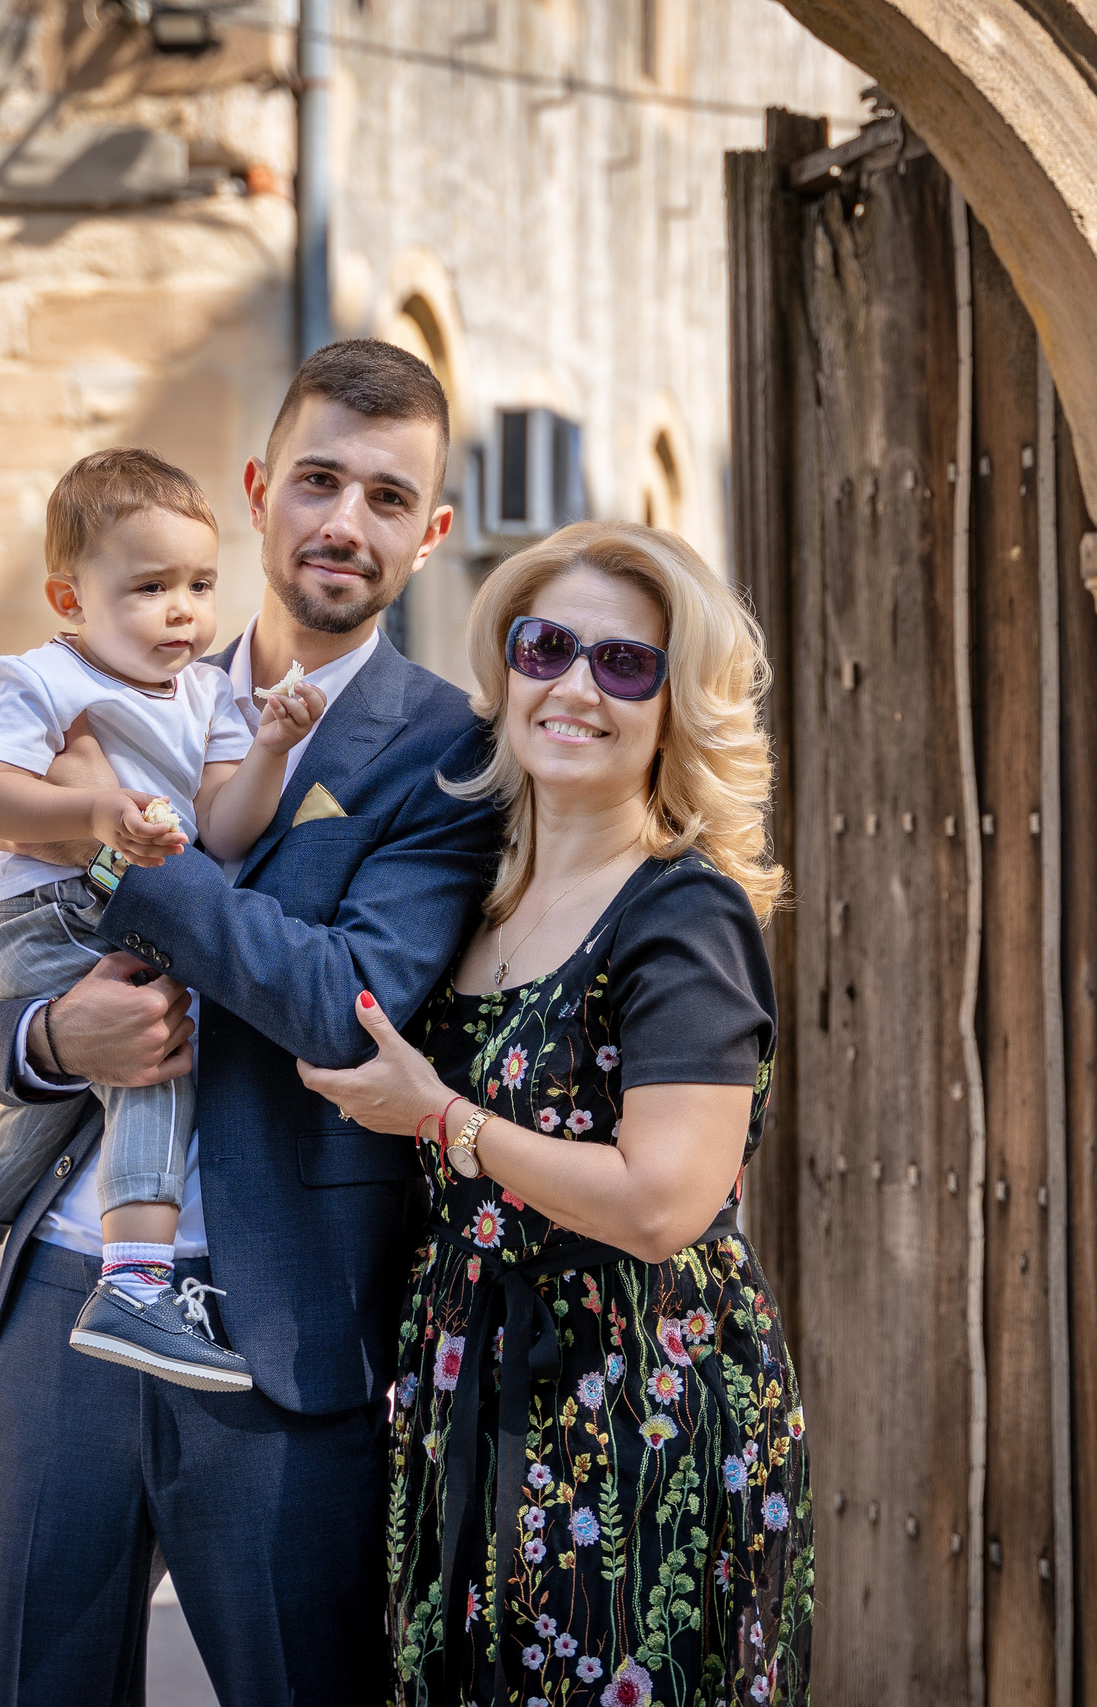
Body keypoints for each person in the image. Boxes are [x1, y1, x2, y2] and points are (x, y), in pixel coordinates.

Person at [0, 339, 500, 1703]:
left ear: (434, 533)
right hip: (66, 1298)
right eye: (317, 480)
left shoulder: (452, 755)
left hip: (280, 1321)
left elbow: (340, 1003)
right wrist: (53, 1041)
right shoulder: (112, 670)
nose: (344, 522)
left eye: (388, 497)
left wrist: (124, 850)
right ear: (259, 488)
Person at [302, 522, 814, 1703]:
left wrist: (441, 1118)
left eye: (624, 664)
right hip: (461, 1391)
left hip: (630, 1402)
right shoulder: (472, 889)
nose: (576, 686)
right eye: (546, 648)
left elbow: (661, 1202)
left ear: (673, 704)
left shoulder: (681, 914)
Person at [0, 448, 327, 1404]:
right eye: (149, 587)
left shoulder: (208, 695)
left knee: (81, 1084)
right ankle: (135, 1284)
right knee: (154, 1040)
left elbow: (226, 822)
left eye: (199, 583)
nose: (184, 610)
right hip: (34, 915)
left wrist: (272, 746)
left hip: (93, 907)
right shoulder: (40, 677)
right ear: (69, 597)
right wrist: (95, 813)